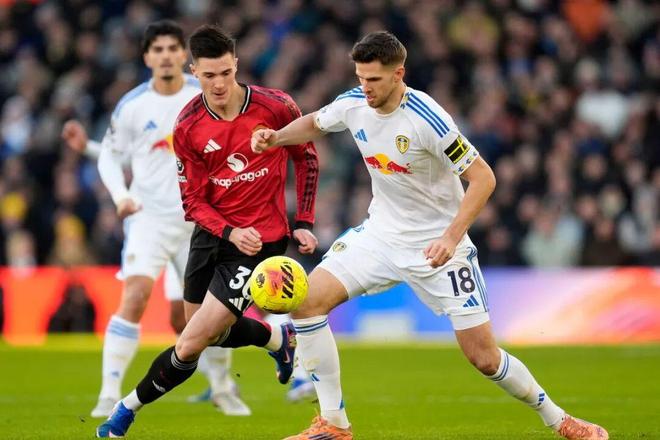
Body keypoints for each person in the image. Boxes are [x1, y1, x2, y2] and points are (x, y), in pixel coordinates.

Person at [251, 31, 609, 440]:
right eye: (361, 78)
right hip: (380, 236)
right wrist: (276, 138)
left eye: (374, 80)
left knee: (484, 357)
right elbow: (316, 122)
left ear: (398, 74)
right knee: (306, 303)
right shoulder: (353, 103)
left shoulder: (427, 119)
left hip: (439, 248)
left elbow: (483, 178)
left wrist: (451, 238)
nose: (365, 88)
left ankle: (560, 420)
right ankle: (334, 424)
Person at [95, 24, 319, 438]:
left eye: (226, 73)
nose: (218, 84)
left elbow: (306, 157)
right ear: (194, 71)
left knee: (191, 342)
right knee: (199, 329)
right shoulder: (188, 125)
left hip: (260, 241)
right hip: (212, 235)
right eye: (209, 75)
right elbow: (194, 202)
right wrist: (229, 231)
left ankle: (123, 411)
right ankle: (277, 339)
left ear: (237, 65)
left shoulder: (275, 106)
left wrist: (303, 220)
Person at [61, 20, 250, 418]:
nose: (165, 56)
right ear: (147, 57)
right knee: (134, 297)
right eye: (157, 49)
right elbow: (114, 155)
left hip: (199, 222)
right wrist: (122, 196)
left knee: (195, 317)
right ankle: (108, 394)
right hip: (149, 219)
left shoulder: (204, 95)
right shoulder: (133, 105)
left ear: (185, 56)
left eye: (172, 48)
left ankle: (222, 388)